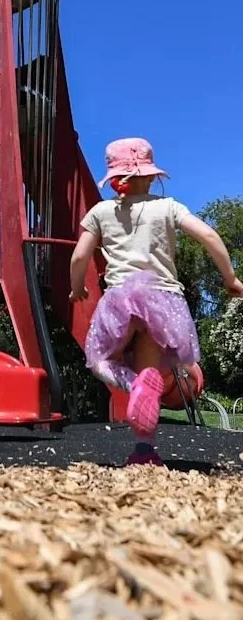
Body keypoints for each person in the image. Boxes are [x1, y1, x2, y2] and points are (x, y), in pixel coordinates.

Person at [69, 137, 243, 466]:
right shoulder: (168, 207)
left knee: (101, 361)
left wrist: (77, 288)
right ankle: (144, 449)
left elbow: (80, 257)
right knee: (151, 372)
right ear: (151, 176)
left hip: (121, 301)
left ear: (113, 178)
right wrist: (230, 279)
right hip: (163, 302)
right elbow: (208, 235)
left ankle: (135, 391)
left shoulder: (101, 212)